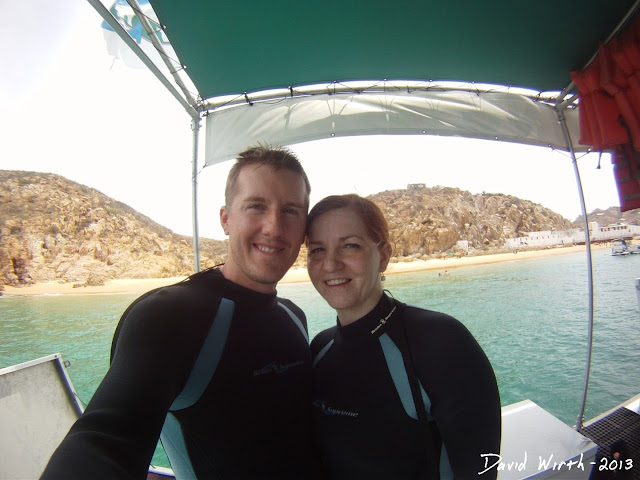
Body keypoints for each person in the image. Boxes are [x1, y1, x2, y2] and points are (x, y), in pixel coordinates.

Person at [41, 146, 321, 480]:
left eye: (290, 211)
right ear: (226, 219)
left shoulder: (293, 317)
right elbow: (103, 440)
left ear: (304, 228)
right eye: (256, 207)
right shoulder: (169, 317)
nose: (274, 228)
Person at [306, 194, 501, 479]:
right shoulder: (320, 348)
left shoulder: (441, 341)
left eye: (350, 246)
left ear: (383, 255)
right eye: (317, 250)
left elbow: (481, 469)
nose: (331, 264)